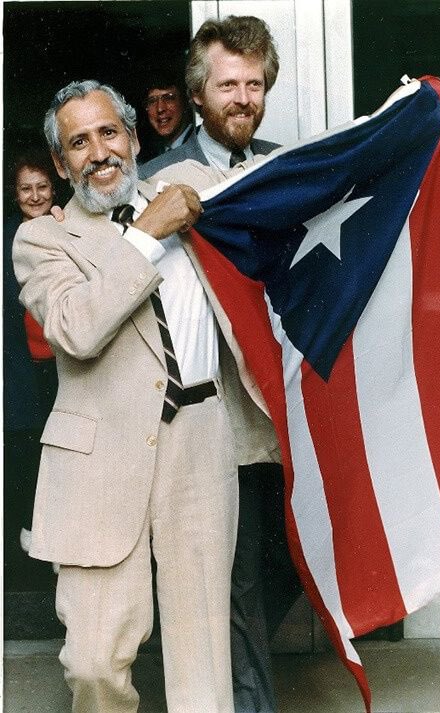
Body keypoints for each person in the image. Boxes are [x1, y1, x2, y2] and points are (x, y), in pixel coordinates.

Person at [13, 79, 279, 713]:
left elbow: (286, 178)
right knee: (94, 661)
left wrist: (393, 123)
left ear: (133, 138)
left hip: (200, 440)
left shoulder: (188, 186)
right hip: (98, 458)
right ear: (60, 163)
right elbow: (74, 328)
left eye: (109, 133)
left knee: (203, 661)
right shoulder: (43, 241)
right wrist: (145, 237)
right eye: (78, 142)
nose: (99, 152)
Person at [139, 16, 302, 713]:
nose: (242, 97)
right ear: (197, 95)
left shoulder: (290, 169)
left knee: (292, 562)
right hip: (214, 421)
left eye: (254, 84)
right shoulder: (156, 182)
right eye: (227, 84)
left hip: (283, 415)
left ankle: (234, 673)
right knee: (234, 583)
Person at [4, 151, 59, 588]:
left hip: (64, 365)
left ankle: (59, 544)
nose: (35, 195)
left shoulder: (65, 228)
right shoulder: (7, 238)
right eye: (26, 188)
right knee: (27, 455)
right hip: (22, 370)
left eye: (42, 186)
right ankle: (33, 549)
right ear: (15, 194)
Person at [136, 67, 194, 165]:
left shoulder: (199, 144)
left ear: (185, 102)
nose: (160, 108)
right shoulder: (148, 156)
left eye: (168, 98)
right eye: (152, 101)